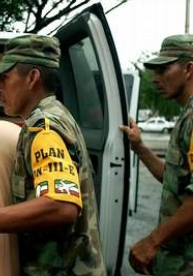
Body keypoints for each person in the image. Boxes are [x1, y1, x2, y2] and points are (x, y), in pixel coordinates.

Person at [0, 34, 106, 276]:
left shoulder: (45, 128)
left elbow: (61, 206)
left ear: (33, 77)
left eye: (4, 77)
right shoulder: (56, 113)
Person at [120, 34, 193, 276]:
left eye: (163, 69)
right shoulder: (187, 116)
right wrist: (140, 147)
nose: (156, 78)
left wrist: (152, 242)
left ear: (189, 69)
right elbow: (176, 181)